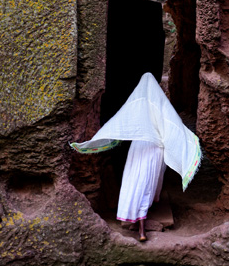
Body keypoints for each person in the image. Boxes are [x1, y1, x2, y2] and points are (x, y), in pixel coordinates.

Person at [70, 72, 202, 242]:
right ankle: (141, 226)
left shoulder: (136, 102)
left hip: (139, 148)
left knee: (137, 181)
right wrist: (189, 142)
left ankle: (139, 222)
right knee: (147, 183)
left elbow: (118, 122)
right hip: (155, 149)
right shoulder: (160, 104)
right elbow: (173, 126)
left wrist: (92, 141)